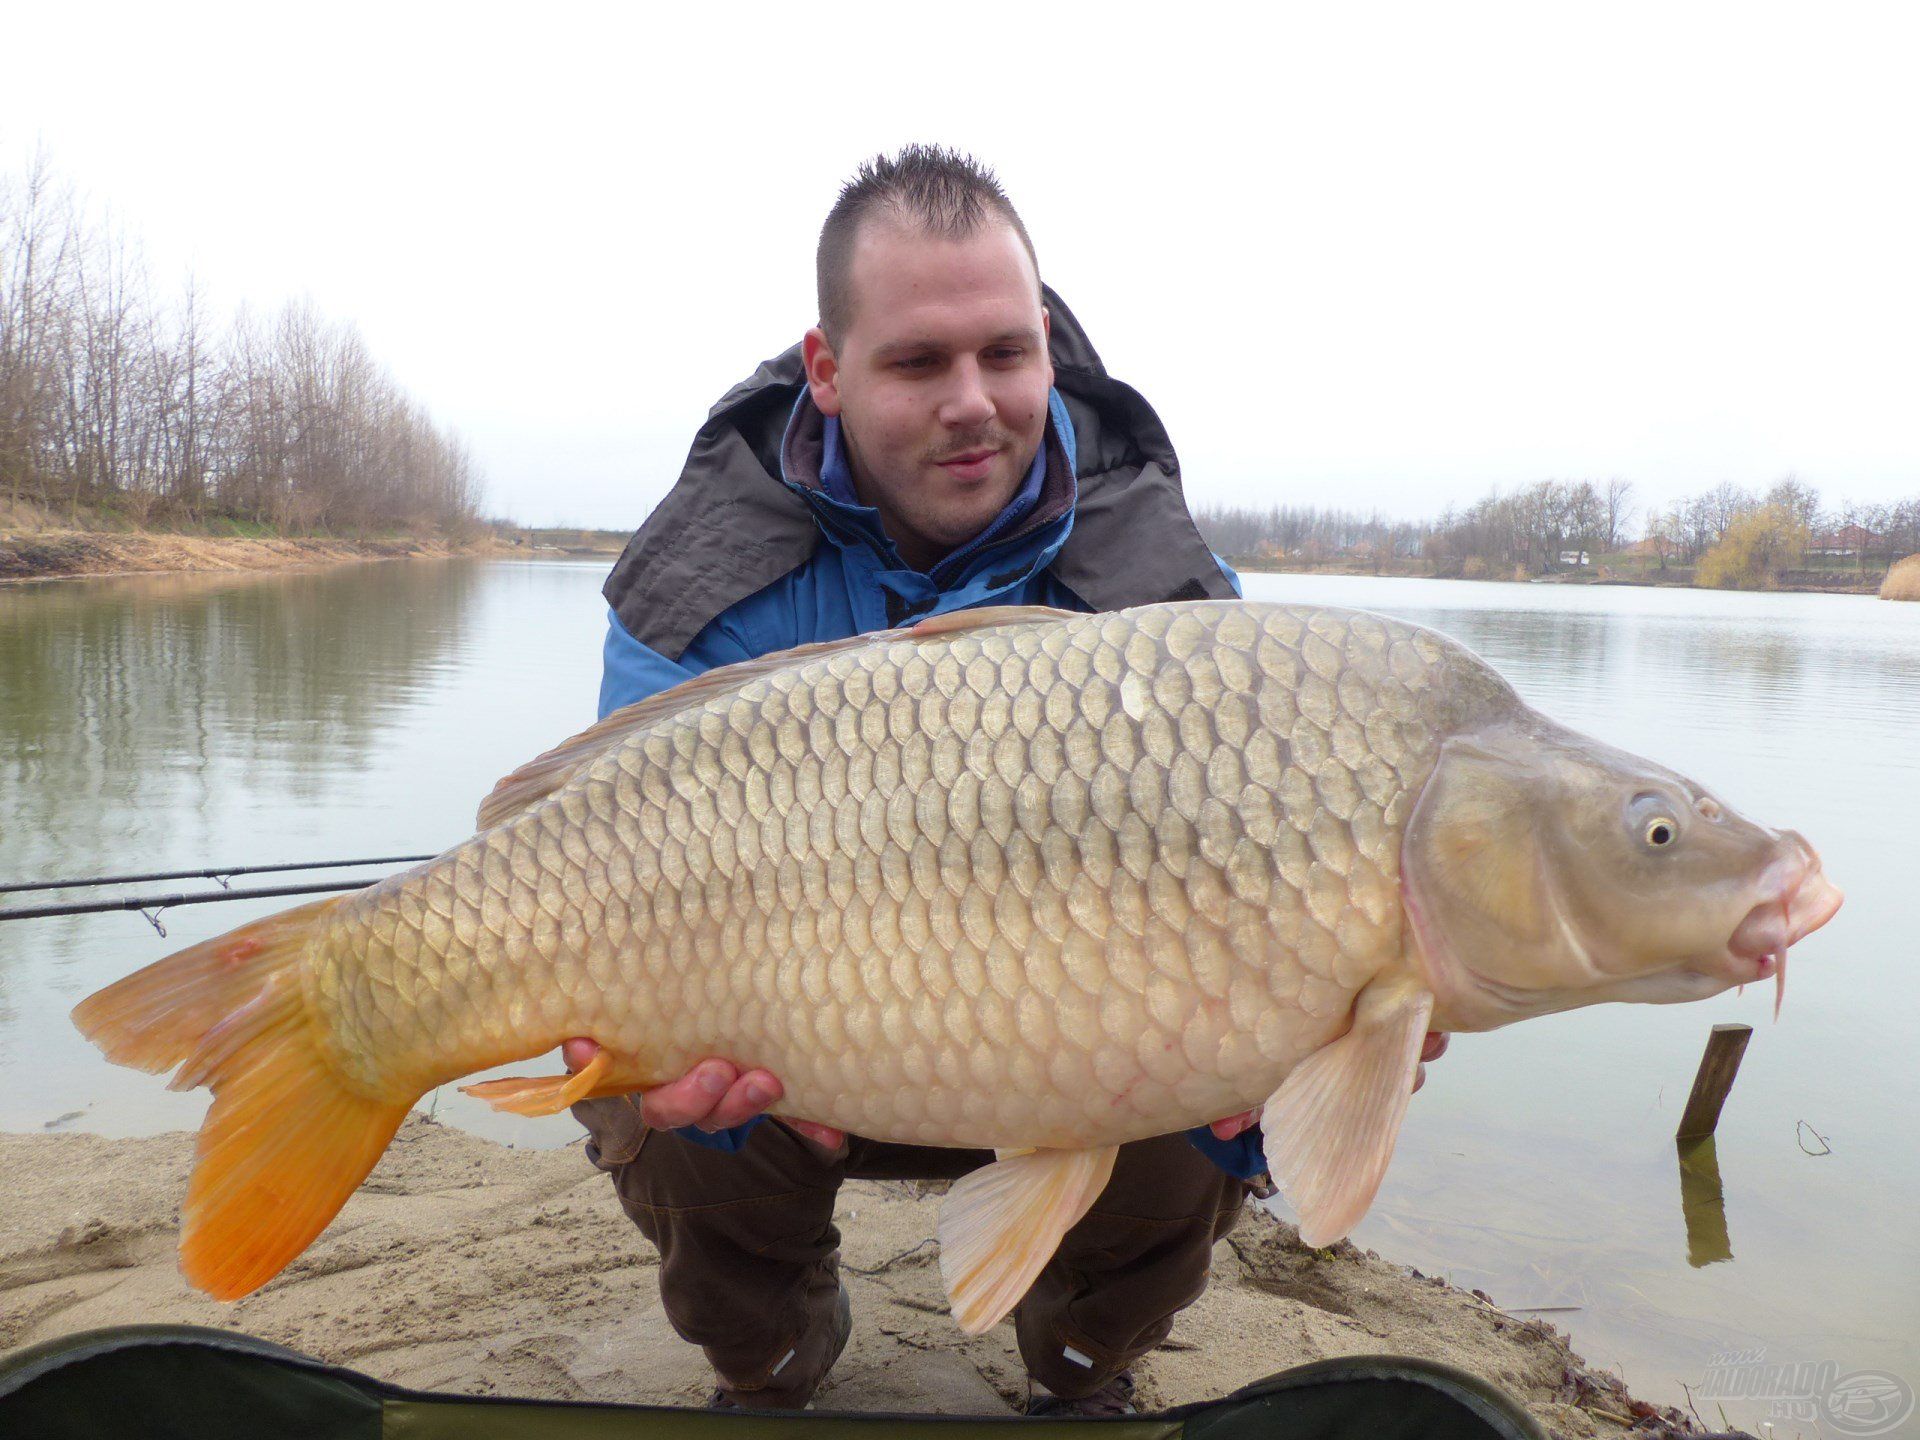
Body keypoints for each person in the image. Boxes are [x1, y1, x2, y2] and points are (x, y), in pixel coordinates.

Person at [562, 144, 1447, 1416]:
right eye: (918, 362)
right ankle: (772, 1350)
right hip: (796, 1047)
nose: (971, 400)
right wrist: (643, 1052)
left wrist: (1314, 1043)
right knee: (664, 1100)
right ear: (828, 368)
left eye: (1004, 354)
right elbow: (605, 874)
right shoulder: (702, 581)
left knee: (1223, 1081)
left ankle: (1082, 1361)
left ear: (1047, 345)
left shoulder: (1172, 595)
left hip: (1072, 1047)